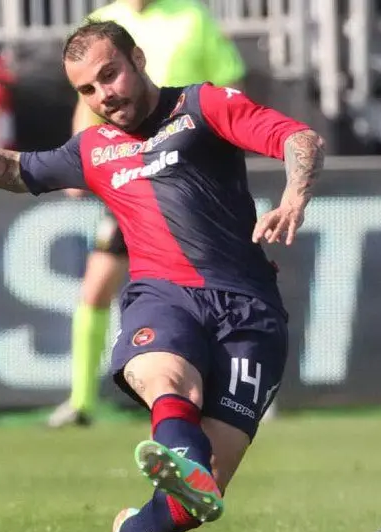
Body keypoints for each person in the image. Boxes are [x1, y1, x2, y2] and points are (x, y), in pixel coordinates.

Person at [0, 19, 324, 532]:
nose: (104, 97)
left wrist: (295, 195)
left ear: (137, 59)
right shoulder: (93, 149)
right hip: (163, 298)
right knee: (166, 378)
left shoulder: (203, 106)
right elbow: (16, 169)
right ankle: (182, 455)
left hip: (250, 313)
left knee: (197, 505)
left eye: (109, 75)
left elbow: (299, 138)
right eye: (87, 91)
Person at [50, 0, 247, 429]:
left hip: (192, 172)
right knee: (98, 282)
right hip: (131, 171)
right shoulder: (103, 23)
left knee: (229, 283)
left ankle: (245, 390)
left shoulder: (192, 16)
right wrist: (80, 160)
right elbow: (88, 102)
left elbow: (229, 82)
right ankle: (81, 401)